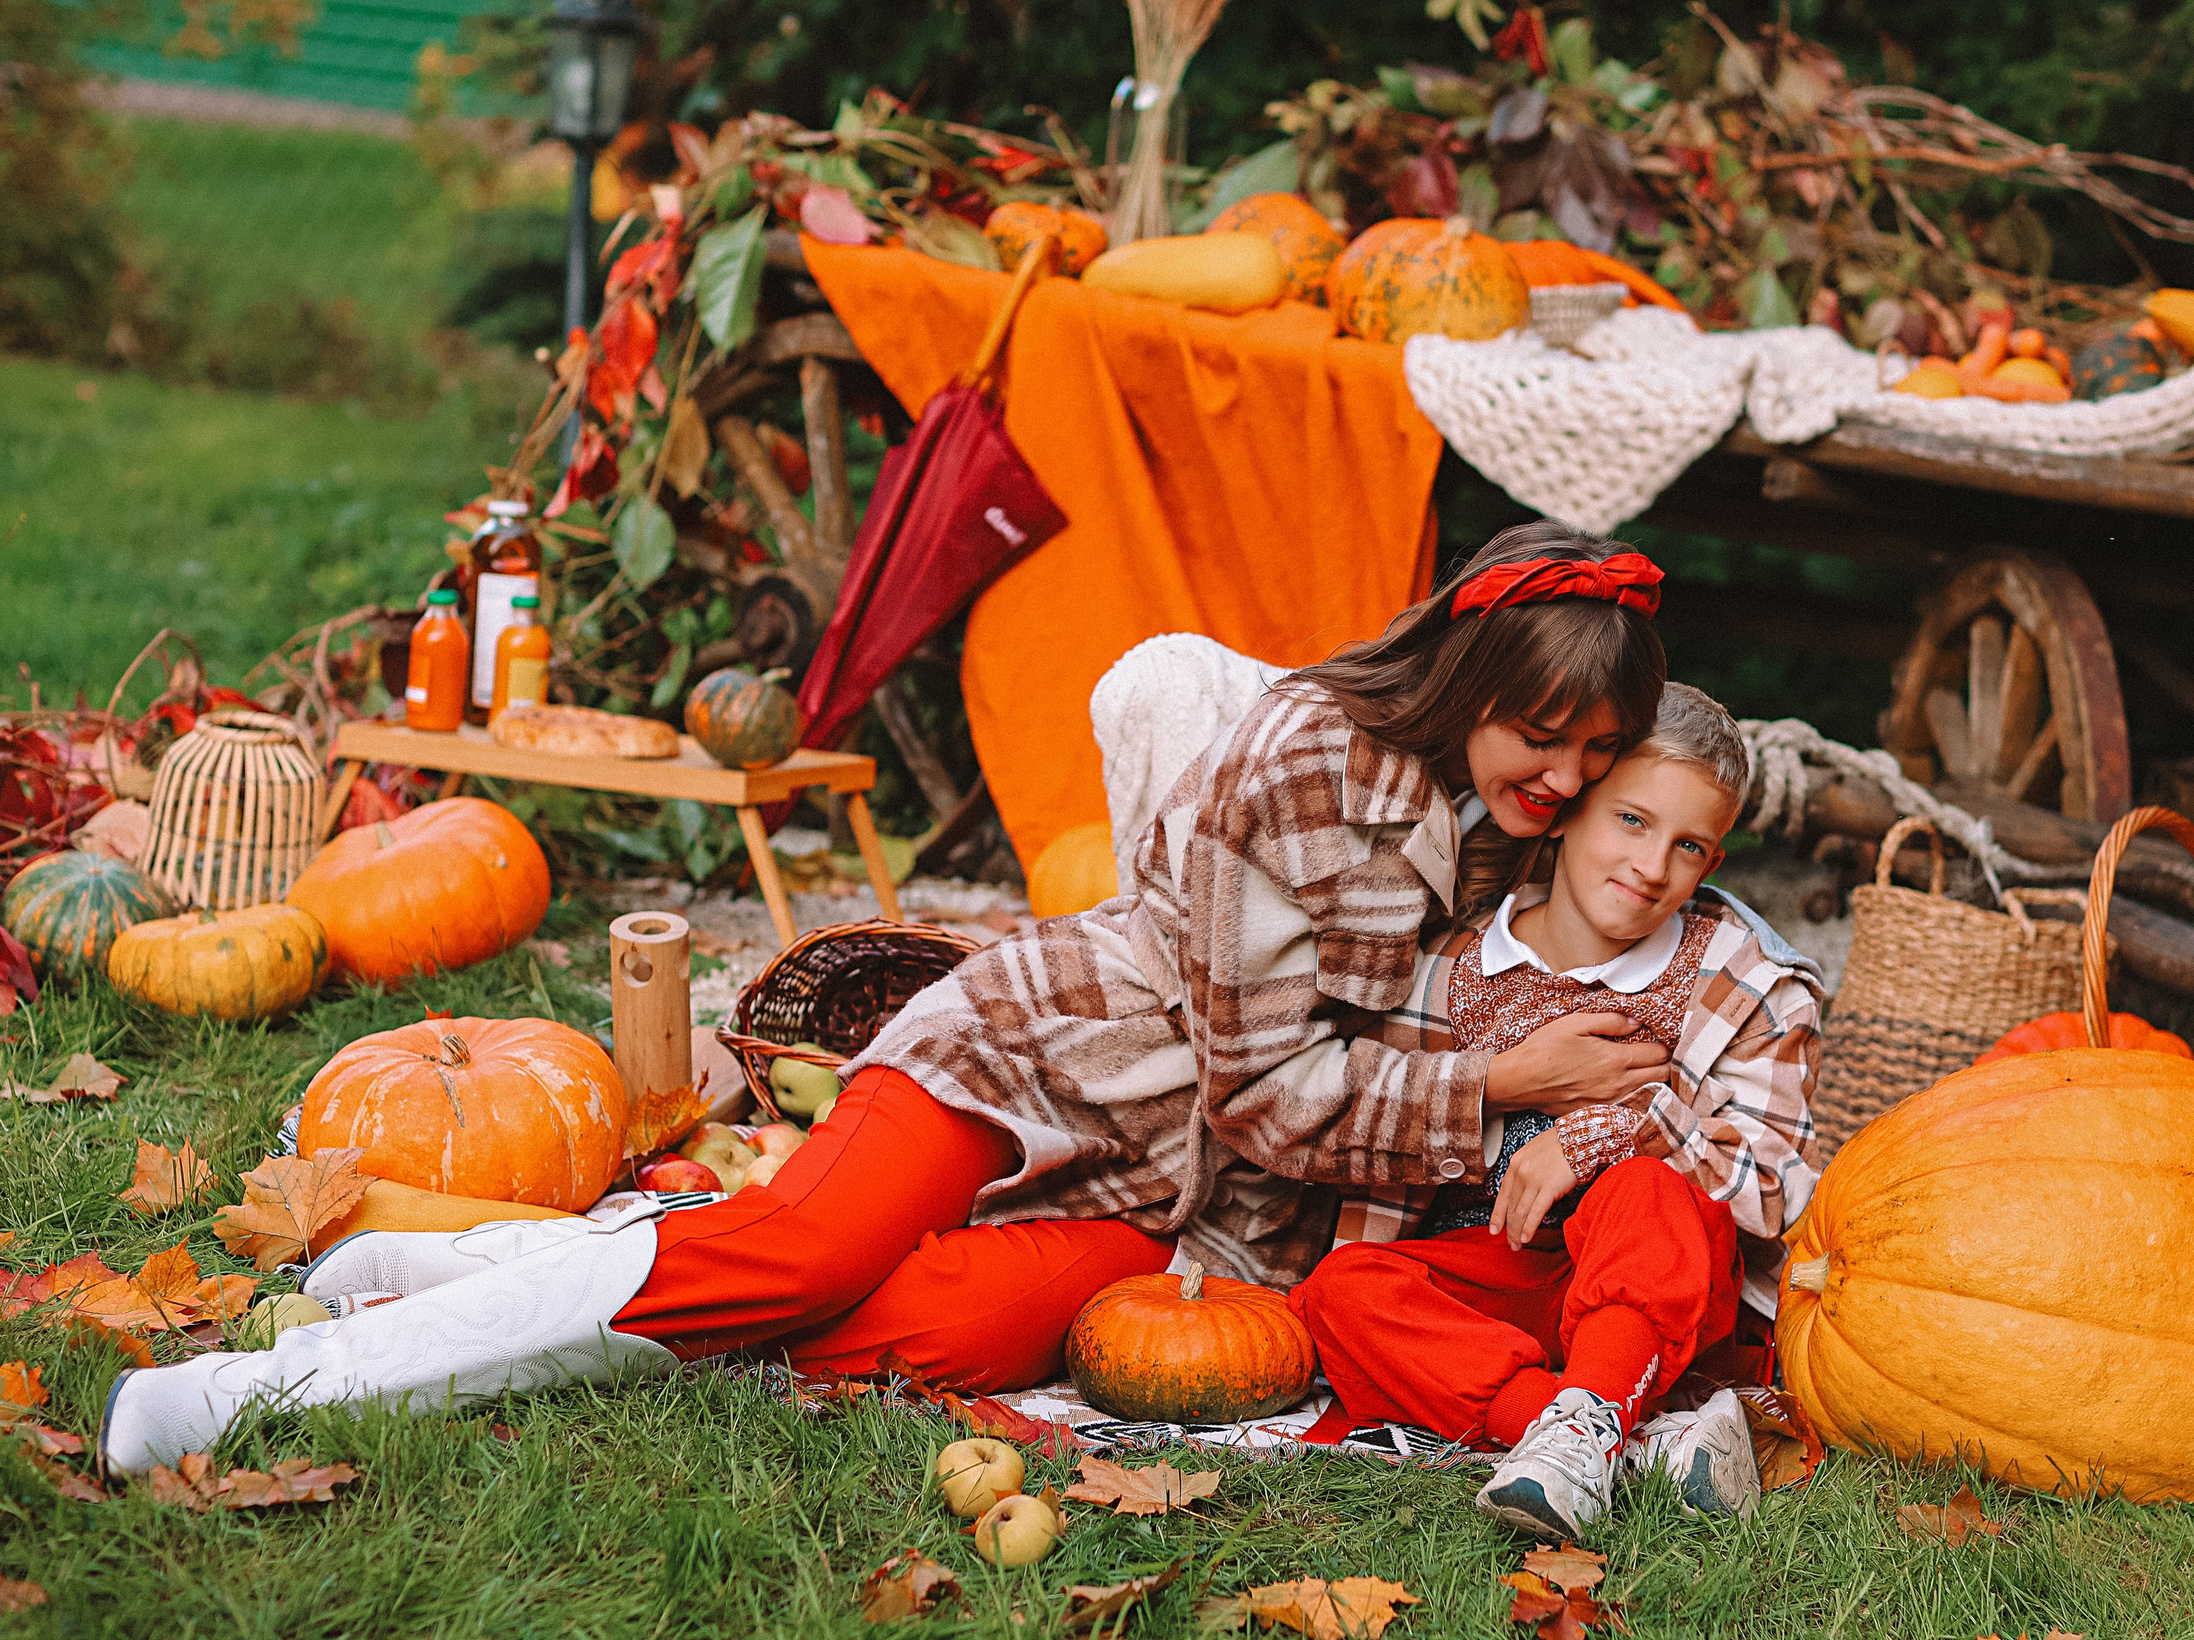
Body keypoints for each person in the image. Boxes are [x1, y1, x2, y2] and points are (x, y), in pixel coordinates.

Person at [100, 521, 1680, 1476]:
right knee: (799, 1251)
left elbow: (1684, 789)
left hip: (1178, 1194)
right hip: (1052, 1059)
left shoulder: (1501, 811)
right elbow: (1271, 1084)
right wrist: (1504, 1080)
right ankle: (246, 1389)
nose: (1569, 777)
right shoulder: (1315, 764)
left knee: (923, 1328)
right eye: (1547, 734)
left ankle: (509, 1265)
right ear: (1475, 680)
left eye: (1597, 757)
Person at [1289, 685, 1826, 1542]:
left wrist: (1614, 1128)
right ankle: (1591, 1434)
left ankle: (1593, 1406)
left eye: (1688, 846)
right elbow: (1371, 1147)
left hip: (1654, 1290)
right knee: (1341, 1291)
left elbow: (1779, 1192)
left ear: (1713, 863)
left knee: (1647, 1190)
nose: (1652, 867)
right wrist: (1495, 1085)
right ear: (1571, 811)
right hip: (1504, 1278)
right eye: (1632, 821)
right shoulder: (1448, 968)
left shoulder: (1747, 983)